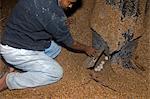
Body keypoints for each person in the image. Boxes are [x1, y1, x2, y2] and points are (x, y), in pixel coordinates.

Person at [0, 0, 96, 91]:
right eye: (69, 2)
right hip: (14, 49)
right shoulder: (52, 14)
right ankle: (7, 81)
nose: (70, 6)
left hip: (16, 35)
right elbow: (71, 43)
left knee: (55, 49)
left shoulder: (48, 9)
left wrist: (60, 23)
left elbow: (42, 18)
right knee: (55, 73)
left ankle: (18, 65)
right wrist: (86, 48)